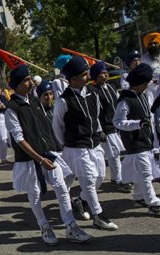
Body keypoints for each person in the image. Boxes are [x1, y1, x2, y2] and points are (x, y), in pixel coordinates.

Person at [5, 65, 91, 244]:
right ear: (18, 85)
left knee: (61, 187)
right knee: (34, 193)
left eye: (30, 79)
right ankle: (44, 226)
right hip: (30, 160)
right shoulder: (12, 109)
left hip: (48, 153)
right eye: (27, 80)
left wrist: (53, 149)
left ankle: (71, 226)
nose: (31, 82)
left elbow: (45, 126)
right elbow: (19, 139)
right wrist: (40, 159)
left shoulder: (35, 100)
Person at [53, 56, 119, 230]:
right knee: (88, 180)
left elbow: (95, 117)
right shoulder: (63, 100)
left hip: (95, 144)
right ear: (73, 79)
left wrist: (98, 132)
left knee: (99, 177)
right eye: (84, 74)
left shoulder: (93, 93)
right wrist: (64, 144)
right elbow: (57, 125)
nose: (88, 76)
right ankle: (98, 216)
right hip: (76, 147)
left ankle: (80, 200)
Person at [113, 64, 160, 215]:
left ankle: (139, 195)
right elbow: (118, 122)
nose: (147, 86)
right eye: (145, 83)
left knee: (144, 172)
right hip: (134, 141)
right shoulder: (125, 100)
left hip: (146, 141)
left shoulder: (143, 96)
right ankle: (153, 203)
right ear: (139, 83)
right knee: (146, 173)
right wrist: (137, 124)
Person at [89, 61, 130, 192]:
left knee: (117, 153)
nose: (105, 74)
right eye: (102, 73)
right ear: (95, 76)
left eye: (106, 72)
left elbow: (118, 103)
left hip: (116, 125)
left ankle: (117, 177)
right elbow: (94, 113)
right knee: (114, 154)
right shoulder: (94, 92)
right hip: (106, 127)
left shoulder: (111, 87)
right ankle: (118, 179)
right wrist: (99, 130)